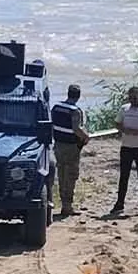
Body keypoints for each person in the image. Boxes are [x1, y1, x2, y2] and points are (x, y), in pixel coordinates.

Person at [109, 86, 138, 216]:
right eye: (131, 97)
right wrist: (124, 130)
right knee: (124, 176)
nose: (133, 99)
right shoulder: (124, 109)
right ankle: (119, 204)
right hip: (126, 147)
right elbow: (117, 123)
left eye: (136, 96)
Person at [50, 84, 88, 218]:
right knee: (71, 175)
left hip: (58, 144)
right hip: (71, 146)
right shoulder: (75, 111)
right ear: (78, 96)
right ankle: (67, 206)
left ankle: (62, 202)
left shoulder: (56, 107)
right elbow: (77, 129)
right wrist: (86, 137)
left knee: (61, 173)